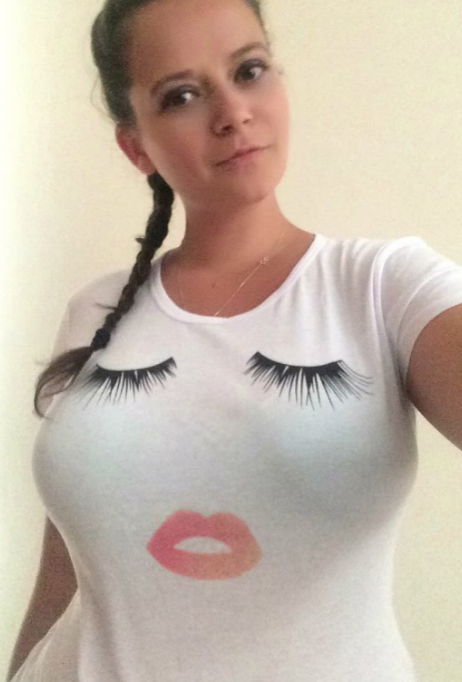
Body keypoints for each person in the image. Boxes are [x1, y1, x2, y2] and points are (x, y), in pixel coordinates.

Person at [7, 0, 462, 680]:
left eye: (248, 71)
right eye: (182, 95)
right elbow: (68, 564)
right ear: (136, 146)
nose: (232, 112)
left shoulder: (386, 285)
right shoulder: (94, 310)